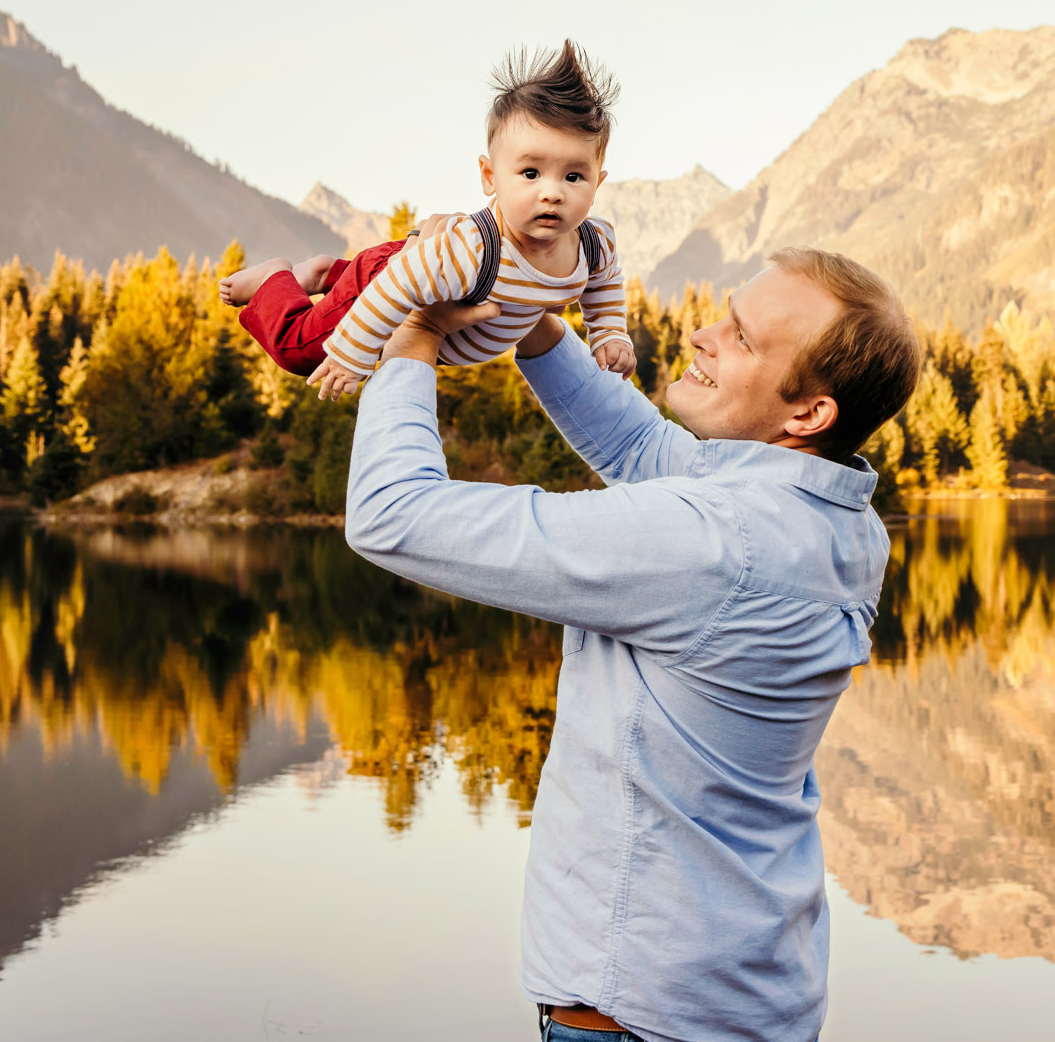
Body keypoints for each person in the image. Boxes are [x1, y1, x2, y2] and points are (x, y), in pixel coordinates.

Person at [345, 242, 922, 1042]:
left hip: (642, 1014)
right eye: (726, 313)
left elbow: (392, 516)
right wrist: (531, 315)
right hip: (751, 997)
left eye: (742, 338)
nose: (704, 334)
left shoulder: (713, 541)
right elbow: (645, 454)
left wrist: (412, 340)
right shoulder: (835, 520)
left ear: (807, 414)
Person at [218, 41, 636, 398]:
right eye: (530, 173)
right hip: (391, 277)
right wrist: (350, 354)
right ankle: (274, 278)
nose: (552, 191)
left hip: (420, 270)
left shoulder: (595, 243)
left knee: (374, 291)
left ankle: (331, 273)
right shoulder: (474, 252)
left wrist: (610, 333)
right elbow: (394, 288)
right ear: (490, 177)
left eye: (574, 176)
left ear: (597, 183)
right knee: (302, 349)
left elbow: (604, 283)